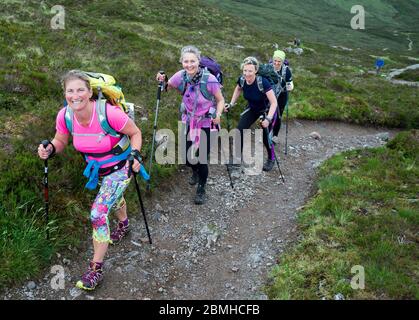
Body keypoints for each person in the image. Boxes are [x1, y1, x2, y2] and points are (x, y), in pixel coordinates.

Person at [38, 70, 144, 291]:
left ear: (89, 92)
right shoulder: (65, 115)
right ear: (64, 93)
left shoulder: (108, 113)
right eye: (70, 91)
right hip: (98, 171)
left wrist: (135, 155)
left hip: (120, 168)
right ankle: (124, 225)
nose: (75, 95)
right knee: (112, 199)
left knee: (98, 212)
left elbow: (135, 133)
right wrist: (50, 149)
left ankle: (95, 269)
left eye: (80, 90)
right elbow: (60, 140)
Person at [156, 45, 225, 205]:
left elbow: (220, 99)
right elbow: (167, 87)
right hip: (189, 121)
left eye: (192, 61)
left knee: (201, 158)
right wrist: (162, 80)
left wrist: (219, 114)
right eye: (186, 61)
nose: (189, 64)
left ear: (198, 61)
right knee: (188, 158)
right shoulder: (181, 76)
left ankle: (201, 187)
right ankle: (194, 171)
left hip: (207, 122)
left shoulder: (210, 80)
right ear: (182, 62)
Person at [225, 56, 278, 172]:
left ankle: (271, 158)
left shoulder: (262, 82)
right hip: (253, 109)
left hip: (267, 111)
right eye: (245, 70)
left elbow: (274, 102)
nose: (247, 74)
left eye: (250, 71)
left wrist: (268, 119)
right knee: (239, 130)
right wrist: (231, 103)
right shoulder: (242, 80)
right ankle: (237, 160)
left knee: (265, 137)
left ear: (255, 70)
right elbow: (238, 89)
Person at [271, 50, 293, 143]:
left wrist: (289, 86)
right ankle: (266, 134)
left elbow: (290, 85)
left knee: (278, 114)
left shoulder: (286, 70)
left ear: (282, 61)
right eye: (275, 60)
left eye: (279, 61)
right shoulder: (269, 68)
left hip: (282, 95)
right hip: (270, 94)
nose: (276, 63)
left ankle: (275, 135)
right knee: (268, 114)